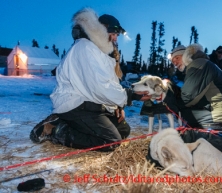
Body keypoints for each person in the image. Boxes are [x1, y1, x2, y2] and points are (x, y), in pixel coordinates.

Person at [29, 8, 150, 151]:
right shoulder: (85, 48)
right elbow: (99, 87)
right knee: (110, 141)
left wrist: (118, 105)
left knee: (123, 131)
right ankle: (55, 130)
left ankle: (67, 123)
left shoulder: (100, 53)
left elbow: (110, 83)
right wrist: (129, 95)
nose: (116, 39)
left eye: (117, 35)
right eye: (113, 34)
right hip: (74, 104)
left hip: (91, 104)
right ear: (102, 31)